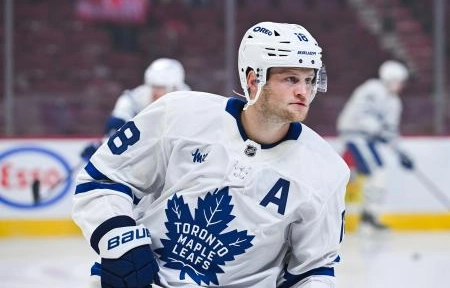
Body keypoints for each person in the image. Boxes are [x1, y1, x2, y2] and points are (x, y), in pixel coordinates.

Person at [72, 21, 350, 288]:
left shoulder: (326, 172)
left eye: (309, 80)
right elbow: (103, 180)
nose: (304, 91)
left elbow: (313, 270)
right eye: (290, 79)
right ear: (253, 80)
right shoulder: (179, 114)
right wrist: (118, 235)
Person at [336, 60, 413, 232]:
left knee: (369, 175)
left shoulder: (394, 103)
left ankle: (368, 216)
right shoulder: (371, 89)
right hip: (355, 137)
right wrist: (379, 131)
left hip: (368, 140)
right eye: (400, 81)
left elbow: (390, 132)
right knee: (375, 172)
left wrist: (401, 153)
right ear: (391, 79)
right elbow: (361, 116)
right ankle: (367, 216)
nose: (401, 85)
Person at [80, 57, 190, 160]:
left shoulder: (187, 100)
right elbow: (117, 124)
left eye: (160, 87)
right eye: (153, 86)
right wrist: (104, 146)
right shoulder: (134, 98)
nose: (155, 92)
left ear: (175, 87)